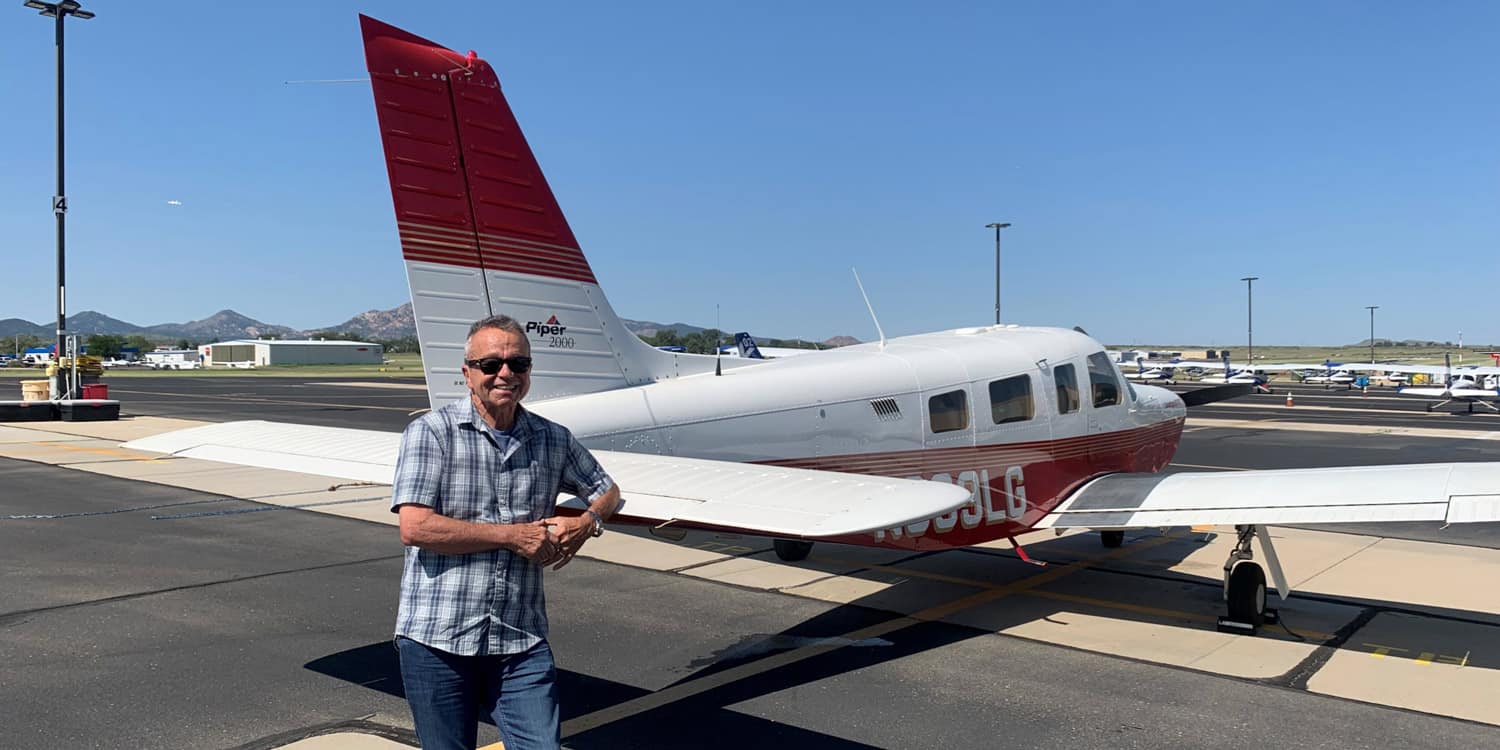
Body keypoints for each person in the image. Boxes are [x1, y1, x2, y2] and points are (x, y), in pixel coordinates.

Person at [391, 314, 621, 750]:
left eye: (518, 364)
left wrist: (587, 523)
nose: (505, 374)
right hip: (438, 637)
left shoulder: (553, 438)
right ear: (467, 373)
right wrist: (513, 536)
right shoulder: (432, 433)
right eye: (490, 364)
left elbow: (607, 490)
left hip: (519, 637)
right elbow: (415, 526)